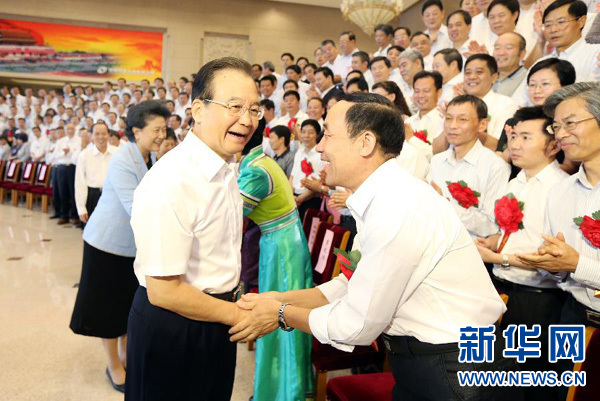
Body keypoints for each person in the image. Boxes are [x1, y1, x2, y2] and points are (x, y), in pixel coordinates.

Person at [230, 93, 522, 401]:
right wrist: (281, 298)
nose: (320, 147)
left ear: (365, 142)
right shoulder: (381, 198)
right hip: (428, 361)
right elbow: (351, 284)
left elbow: (356, 324)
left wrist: (280, 313)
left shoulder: (397, 206)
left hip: (456, 369)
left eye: (328, 135)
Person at [125, 58, 260, 401]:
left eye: (254, 109)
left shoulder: (226, 166)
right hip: (175, 327)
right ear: (198, 109)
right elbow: (164, 291)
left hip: (216, 318)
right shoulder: (172, 180)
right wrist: (241, 316)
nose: (247, 120)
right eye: (235, 107)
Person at [69, 100, 168, 394]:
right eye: (157, 129)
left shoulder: (148, 156)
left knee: (126, 303)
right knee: (107, 308)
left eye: (164, 129)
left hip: (131, 247)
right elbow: (136, 208)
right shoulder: (123, 160)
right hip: (107, 245)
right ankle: (113, 364)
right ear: (136, 131)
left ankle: (126, 356)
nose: (162, 135)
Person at [475, 106, 568, 401]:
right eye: (513, 136)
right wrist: (492, 242)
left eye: (526, 137)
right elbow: (513, 234)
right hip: (504, 290)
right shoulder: (516, 181)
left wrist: (496, 258)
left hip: (537, 300)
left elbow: (552, 258)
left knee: (529, 384)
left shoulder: (559, 189)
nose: (515, 144)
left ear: (553, 146)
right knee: (497, 379)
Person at [238, 127, 313, 401]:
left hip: (282, 248)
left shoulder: (256, 171)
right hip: (283, 240)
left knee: (278, 315)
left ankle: (283, 392)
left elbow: (229, 215)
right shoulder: (260, 162)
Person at [427, 95, 510, 239]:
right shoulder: (437, 161)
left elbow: (491, 226)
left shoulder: (496, 167)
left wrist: (447, 206)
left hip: (469, 246)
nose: (452, 126)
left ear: (482, 124)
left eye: (462, 119)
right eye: (448, 118)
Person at [74, 122, 118, 225]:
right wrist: (81, 208)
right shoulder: (84, 155)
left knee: (112, 230)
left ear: (109, 135)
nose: (100, 137)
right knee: (91, 231)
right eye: (97, 134)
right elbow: (80, 183)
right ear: (91, 136)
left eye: (104, 133)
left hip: (113, 196)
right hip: (93, 197)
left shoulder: (118, 153)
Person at [492, 32, 528, 97]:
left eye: (508, 48)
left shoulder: (527, 79)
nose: (501, 53)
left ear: (522, 53)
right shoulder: (488, 77)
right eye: (497, 48)